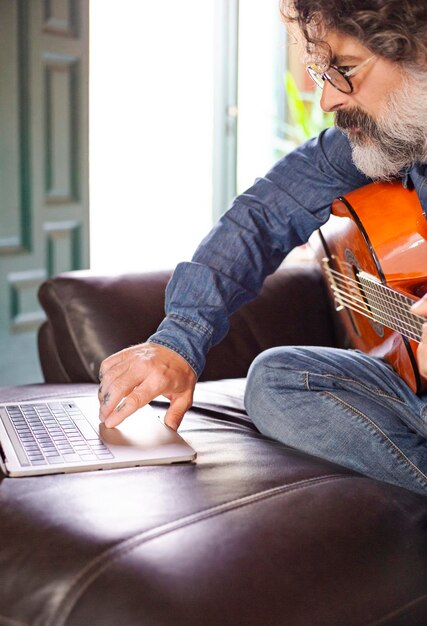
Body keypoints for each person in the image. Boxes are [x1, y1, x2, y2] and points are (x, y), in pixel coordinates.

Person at [98, 0, 427, 496]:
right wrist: (178, 338)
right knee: (275, 379)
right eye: (322, 72)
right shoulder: (394, 137)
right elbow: (265, 212)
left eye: (345, 68)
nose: (327, 101)